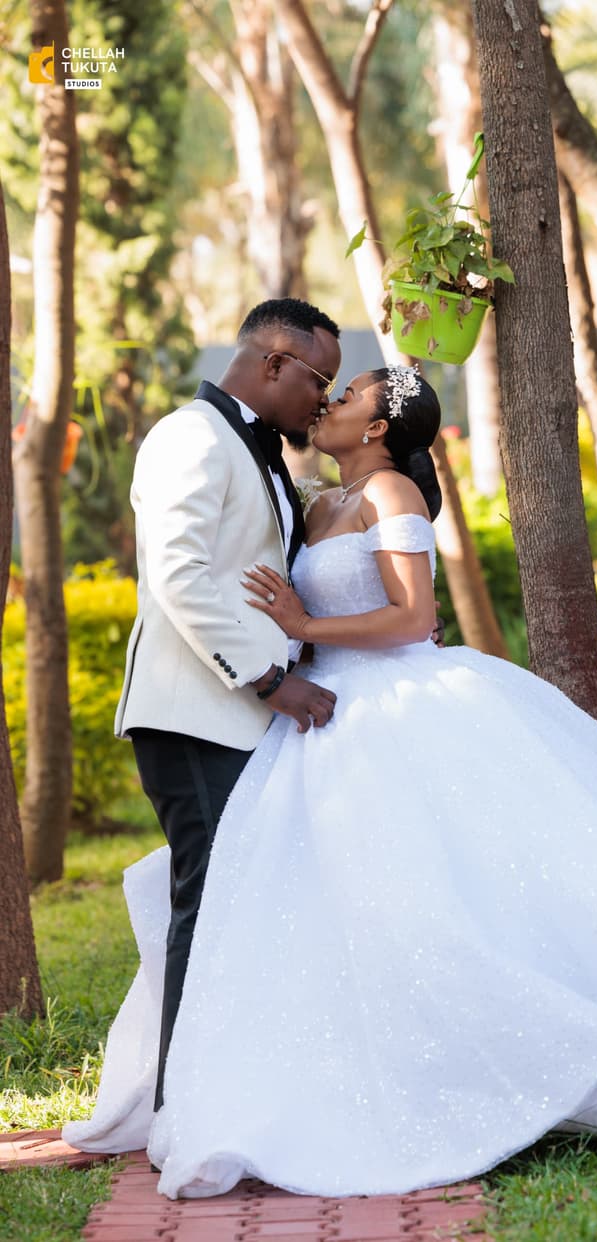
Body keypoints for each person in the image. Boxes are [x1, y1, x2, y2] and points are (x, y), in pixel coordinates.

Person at [65, 365, 597, 1198]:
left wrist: (303, 623)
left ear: (378, 428)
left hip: (397, 706)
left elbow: (414, 617)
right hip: (320, 718)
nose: (329, 402)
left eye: (347, 394)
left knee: (444, 888)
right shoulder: (316, 501)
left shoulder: (395, 493)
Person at [112, 298, 340, 1114]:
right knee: (209, 905)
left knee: (241, 903)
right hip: (193, 715)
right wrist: (272, 681)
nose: (323, 400)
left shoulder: (264, 453)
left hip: (238, 716)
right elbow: (180, 577)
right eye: (319, 380)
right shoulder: (190, 435)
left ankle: (226, 1097)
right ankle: (187, 1109)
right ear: (273, 362)